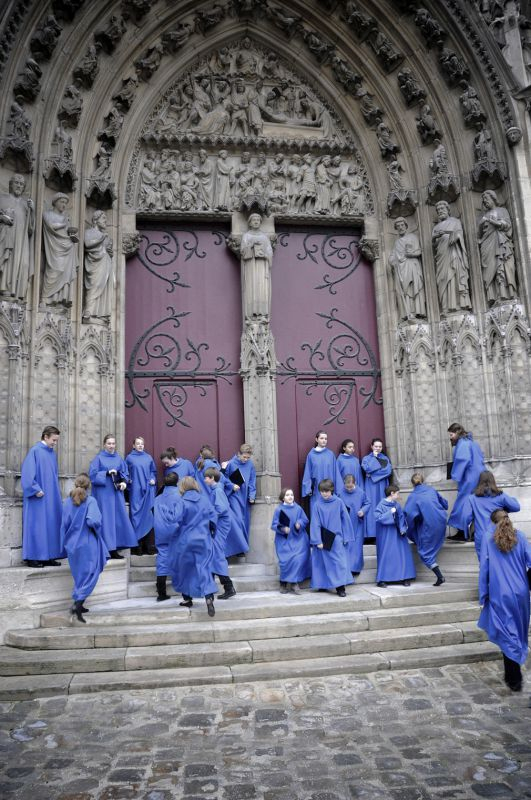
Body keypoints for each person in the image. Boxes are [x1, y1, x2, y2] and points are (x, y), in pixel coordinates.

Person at [478, 509, 531, 691]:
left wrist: (483, 593)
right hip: (521, 592)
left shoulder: (488, 538)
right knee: (519, 631)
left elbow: (484, 567)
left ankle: (514, 677)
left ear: (493, 522)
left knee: (507, 633)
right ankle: (512, 675)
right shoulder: (521, 536)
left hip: (500, 592)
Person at [60, 473, 108, 622]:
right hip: (87, 542)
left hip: (72, 543)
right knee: (91, 573)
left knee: (80, 574)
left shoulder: (67, 501)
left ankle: (80, 604)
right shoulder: (90, 500)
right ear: (89, 486)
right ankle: (78, 603)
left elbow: (64, 523)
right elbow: (93, 521)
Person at [167, 476, 217, 616]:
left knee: (184, 570)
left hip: (186, 540)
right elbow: (213, 517)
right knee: (204, 568)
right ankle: (208, 597)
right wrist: (211, 532)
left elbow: (175, 519)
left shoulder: (181, 501)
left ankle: (187, 599)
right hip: (203, 539)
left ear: (182, 486)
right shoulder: (205, 499)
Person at [21, 425, 64, 567]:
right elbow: (27, 475)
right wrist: (35, 489)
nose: (55, 443)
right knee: (36, 526)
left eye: (57, 441)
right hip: (37, 497)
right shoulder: (35, 451)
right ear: (45, 437)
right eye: (54, 440)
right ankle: (33, 557)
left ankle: (49, 555)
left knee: (51, 524)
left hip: (51, 496)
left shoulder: (52, 453)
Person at [89, 434, 137, 558]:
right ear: (104, 444)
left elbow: (125, 473)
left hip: (116, 494)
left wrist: (123, 483)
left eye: (113, 443)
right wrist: (106, 473)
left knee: (117, 520)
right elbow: (92, 475)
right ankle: (105, 549)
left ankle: (115, 548)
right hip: (103, 494)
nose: (111, 446)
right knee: (106, 520)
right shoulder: (98, 458)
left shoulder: (119, 459)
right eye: (109, 443)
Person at [195, 445, 248, 557]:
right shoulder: (213, 466)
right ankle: (235, 551)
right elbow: (220, 478)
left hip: (203, 501)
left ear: (201, 455)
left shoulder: (198, 465)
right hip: (215, 500)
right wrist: (231, 483)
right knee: (230, 524)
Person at [309, 478, 354, 596]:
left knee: (339, 563)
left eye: (327, 491)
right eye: (322, 491)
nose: (324, 493)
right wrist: (317, 540)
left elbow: (346, 520)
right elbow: (315, 523)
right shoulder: (317, 505)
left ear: (332, 490)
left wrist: (346, 537)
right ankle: (322, 585)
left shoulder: (339, 502)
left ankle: (340, 587)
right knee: (322, 563)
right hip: (322, 539)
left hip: (337, 538)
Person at [461, 471, 520, 559]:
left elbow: (465, 518)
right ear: (493, 481)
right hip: (500, 534)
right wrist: (505, 508)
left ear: (479, 482)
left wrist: (467, 534)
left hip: (481, 536)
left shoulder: (472, 498)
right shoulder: (501, 496)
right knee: (499, 564)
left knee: (484, 564)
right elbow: (516, 507)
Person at [404, 473, 448, 586]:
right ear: (423, 481)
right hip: (442, 520)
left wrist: (407, 530)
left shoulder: (413, 496)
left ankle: (440, 576)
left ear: (412, 483)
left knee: (425, 553)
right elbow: (445, 504)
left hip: (430, 524)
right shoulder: (431, 490)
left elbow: (409, 516)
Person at [447, 423, 486, 540]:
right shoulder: (473, 443)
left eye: (451, 434)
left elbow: (462, 460)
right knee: (476, 505)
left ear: (457, 433)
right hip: (480, 478)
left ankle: (462, 532)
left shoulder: (463, 444)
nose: (450, 437)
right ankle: (475, 533)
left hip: (469, 479)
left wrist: (454, 475)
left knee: (462, 504)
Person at [204, 467, 237, 600]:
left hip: (220, 526)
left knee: (217, 554)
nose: (204, 479)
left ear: (212, 478)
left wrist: (210, 520)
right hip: (218, 525)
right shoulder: (216, 490)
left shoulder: (217, 491)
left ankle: (228, 587)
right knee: (214, 554)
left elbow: (221, 509)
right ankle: (217, 587)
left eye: (206, 477)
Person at [374, 484, 416, 588]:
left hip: (397, 534)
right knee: (387, 555)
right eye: (397, 493)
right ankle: (382, 579)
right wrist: (390, 513)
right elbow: (378, 518)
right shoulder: (381, 505)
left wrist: (402, 529)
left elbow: (401, 517)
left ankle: (404, 577)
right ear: (392, 493)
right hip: (386, 535)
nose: (398, 495)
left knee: (401, 555)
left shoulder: (396, 505)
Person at [271, 487, 311, 594]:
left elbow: (305, 519)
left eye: (292, 495)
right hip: (284, 540)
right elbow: (274, 525)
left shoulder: (298, 508)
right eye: (288, 495)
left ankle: (294, 583)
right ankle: (283, 582)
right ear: (283, 498)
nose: (290, 497)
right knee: (286, 560)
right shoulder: (279, 510)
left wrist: (299, 524)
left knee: (298, 558)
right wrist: (283, 529)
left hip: (298, 539)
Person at [125, 436, 157, 556]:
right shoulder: (129, 458)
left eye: (142, 444)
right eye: (137, 444)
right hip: (135, 493)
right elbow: (125, 473)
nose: (140, 446)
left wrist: (153, 479)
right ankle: (137, 547)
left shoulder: (148, 458)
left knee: (148, 517)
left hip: (148, 492)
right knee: (136, 518)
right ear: (133, 445)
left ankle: (148, 547)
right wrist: (128, 481)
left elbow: (153, 472)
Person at [153, 472, 182, 602]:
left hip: (161, 530)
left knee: (162, 558)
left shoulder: (158, 498)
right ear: (177, 481)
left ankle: (161, 592)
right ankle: (185, 591)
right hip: (176, 530)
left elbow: (153, 510)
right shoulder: (180, 495)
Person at [222, 443, 256, 544]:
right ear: (238, 454)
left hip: (245, 497)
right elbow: (223, 477)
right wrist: (231, 485)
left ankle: (242, 548)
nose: (245, 459)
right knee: (238, 520)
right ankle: (238, 546)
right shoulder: (231, 463)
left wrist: (252, 495)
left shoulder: (250, 464)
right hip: (234, 495)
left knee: (245, 521)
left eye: (248, 458)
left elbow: (252, 480)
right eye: (244, 457)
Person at [338, 474, 370, 577]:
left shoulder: (361, 492)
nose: (349, 489)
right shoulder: (340, 492)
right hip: (345, 523)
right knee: (347, 545)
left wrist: (362, 511)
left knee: (356, 546)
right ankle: (347, 567)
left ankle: (355, 568)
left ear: (355, 483)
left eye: (351, 487)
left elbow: (367, 503)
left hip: (357, 522)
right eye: (347, 487)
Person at [302, 430, 339, 516]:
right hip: (316, 491)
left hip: (330, 490)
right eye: (321, 438)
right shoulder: (311, 455)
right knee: (317, 514)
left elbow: (336, 472)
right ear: (316, 439)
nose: (324, 440)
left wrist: (338, 490)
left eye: (326, 438)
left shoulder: (330, 454)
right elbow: (307, 472)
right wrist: (308, 488)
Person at [361, 438, 392, 540]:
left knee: (381, 507)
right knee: (371, 507)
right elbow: (367, 468)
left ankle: (382, 533)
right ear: (372, 446)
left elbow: (387, 471)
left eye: (380, 446)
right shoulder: (367, 458)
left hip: (381, 485)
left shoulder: (385, 458)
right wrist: (374, 459)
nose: (378, 448)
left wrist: (373, 476)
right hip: (370, 486)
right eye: (376, 446)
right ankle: (371, 534)